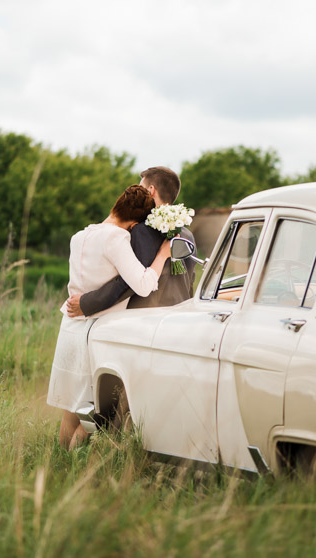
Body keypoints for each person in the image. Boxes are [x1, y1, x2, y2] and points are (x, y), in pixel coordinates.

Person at [47, 185, 171, 449]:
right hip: (96, 331)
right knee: (93, 411)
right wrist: (162, 255)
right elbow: (143, 284)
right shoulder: (117, 239)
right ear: (135, 222)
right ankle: (74, 470)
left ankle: (59, 461)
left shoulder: (79, 236)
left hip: (70, 327)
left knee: (71, 406)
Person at [66, 166, 197, 317]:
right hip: (180, 316)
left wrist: (86, 304)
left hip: (146, 320)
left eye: (142, 188)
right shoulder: (187, 234)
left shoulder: (140, 230)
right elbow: (190, 281)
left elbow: (127, 283)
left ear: (151, 190)